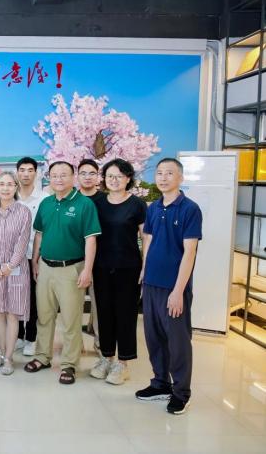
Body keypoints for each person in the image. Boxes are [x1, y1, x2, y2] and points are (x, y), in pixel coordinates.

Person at [25, 161, 101, 385]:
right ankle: (42, 356)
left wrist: (87, 270)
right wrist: (35, 261)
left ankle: (69, 364)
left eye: (63, 175)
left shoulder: (84, 204)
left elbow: (91, 240)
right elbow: (39, 234)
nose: (58, 179)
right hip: (45, 267)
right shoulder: (46, 203)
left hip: (71, 269)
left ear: (73, 177)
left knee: (70, 319)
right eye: (54, 175)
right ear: (49, 177)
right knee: (44, 316)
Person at [136, 158, 201, 415]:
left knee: (178, 341)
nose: (163, 178)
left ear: (180, 177)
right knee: (154, 337)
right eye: (159, 173)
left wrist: (178, 291)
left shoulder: (189, 209)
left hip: (174, 287)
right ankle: (160, 383)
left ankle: (181, 392)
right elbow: (149, 240)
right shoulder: (153, 208)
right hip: (152, 283)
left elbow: (190, 251)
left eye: (169, 173)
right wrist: (144, 271)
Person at [90, 159, 147, 385]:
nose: (114, 180)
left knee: (125, 315)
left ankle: (123, 363)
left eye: (119, 176)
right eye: (110, 176)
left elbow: (146, 237)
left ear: (128, 178)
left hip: (128, 268)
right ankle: (106, 358)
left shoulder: (137, 204)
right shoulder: (98, 203)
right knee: (104, 314)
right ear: (104, 179)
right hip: (101, 267)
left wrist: (145, 266)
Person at [0, 171, 32, 375]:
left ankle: (9, 358)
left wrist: (9, 266)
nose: (6, 188)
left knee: (13, 314)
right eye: (1, 184)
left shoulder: (24, 212)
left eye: (10, 184)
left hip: (17, 270)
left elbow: (22, 243)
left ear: (16, 188)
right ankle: (2, 354)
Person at [15, 156, 48, 356]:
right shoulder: (11, 195)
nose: (26, 174)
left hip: (35, 256)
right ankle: (18, 335)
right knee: (16, 297)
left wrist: (37, 258)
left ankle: (31, 338)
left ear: (36, 173)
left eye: (30, 170)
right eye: (22, 170)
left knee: (35, 299)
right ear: (17, 172)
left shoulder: (44, 198)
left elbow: (44, 231)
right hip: (14, 258)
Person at [77, 158, 105, 352]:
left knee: (99, 305)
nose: (87, 177)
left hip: (101, 261)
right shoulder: (71, 198)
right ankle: (75, 344)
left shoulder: (106, 200)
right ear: (77, 176)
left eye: (92, 173)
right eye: (83, 173)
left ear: (98, 176)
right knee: (74, 306)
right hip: (75, 260)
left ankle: (100, 343)